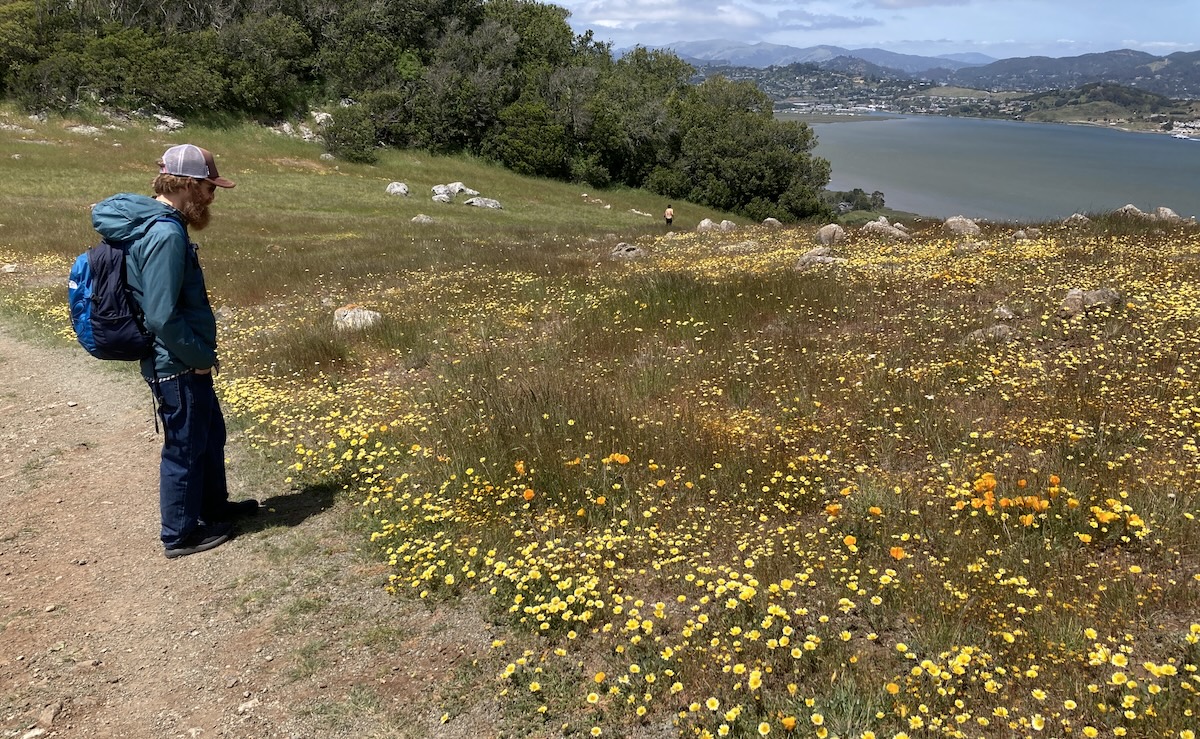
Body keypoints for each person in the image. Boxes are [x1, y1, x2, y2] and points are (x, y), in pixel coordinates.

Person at [91, 144, 257, 559]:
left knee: (209, 436)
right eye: (209, 187)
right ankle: (180, 534)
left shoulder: (163, 225)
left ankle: (213, 508)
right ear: (187, 184)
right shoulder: (165, 233)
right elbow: (162, 315)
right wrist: (199, 358)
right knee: (184, 446)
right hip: (177, 363)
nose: (212, 196)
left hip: (184, 359)